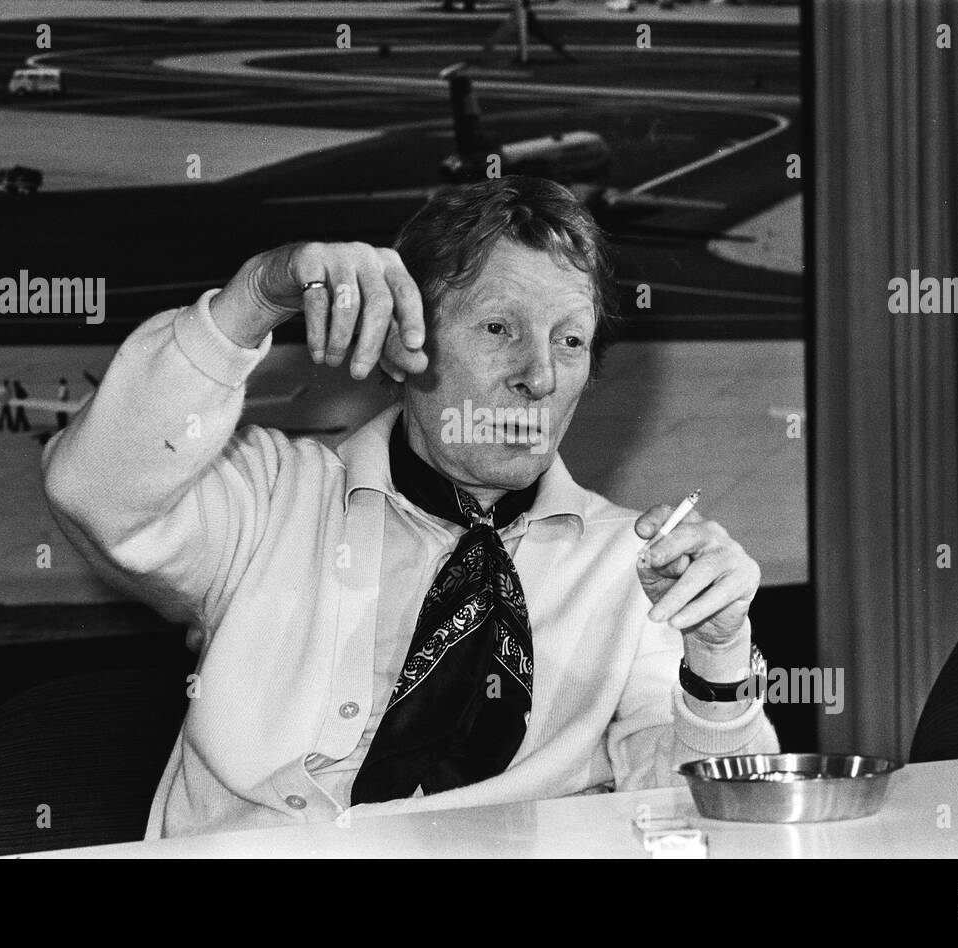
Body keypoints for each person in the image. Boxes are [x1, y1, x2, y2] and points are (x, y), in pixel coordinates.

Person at [43, 176, 778, 840]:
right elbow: (97, 490)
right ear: (404, 349)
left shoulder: (632, 567)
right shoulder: (271, 497)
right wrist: (254, 299)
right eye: (499, 328)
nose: (539, 376)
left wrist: (716, 657)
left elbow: (709, 819)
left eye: (571, 340)